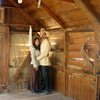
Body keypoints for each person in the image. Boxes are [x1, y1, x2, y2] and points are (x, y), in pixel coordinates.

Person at [37, 28, 51, 94]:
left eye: (43, 34)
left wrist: (37, 58)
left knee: (46, 77)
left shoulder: (47, 42)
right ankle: (45, 88)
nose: (41, 35)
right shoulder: (42, 42)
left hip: (45, 62)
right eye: (41, 34)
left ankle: (48, 89)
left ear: (45, 35)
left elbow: (45, 54)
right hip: (41, 62)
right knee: (43, 76)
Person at [28, 26, 41, 93]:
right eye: (36, 41)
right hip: (33, 65)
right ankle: (33, 89)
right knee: (34, 77)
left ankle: (36, 89)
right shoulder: (33, 48)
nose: (37, 42)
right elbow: (33, 57)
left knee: (37, 77)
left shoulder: (38, 48)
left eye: (38, 41)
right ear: (34, 42)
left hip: (38, 64)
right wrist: (35, 66)